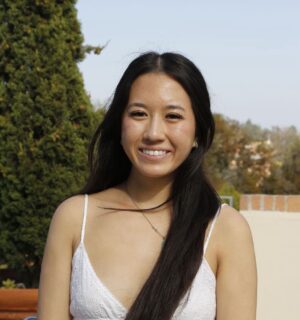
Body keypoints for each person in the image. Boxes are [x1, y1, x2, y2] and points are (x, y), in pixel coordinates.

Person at [37, 51, 257, 319]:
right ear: (120, 125)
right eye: (139, 114)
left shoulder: (225, 229)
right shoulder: (74, 218)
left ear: (198, 132)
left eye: (173, 116)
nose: (154, 133)